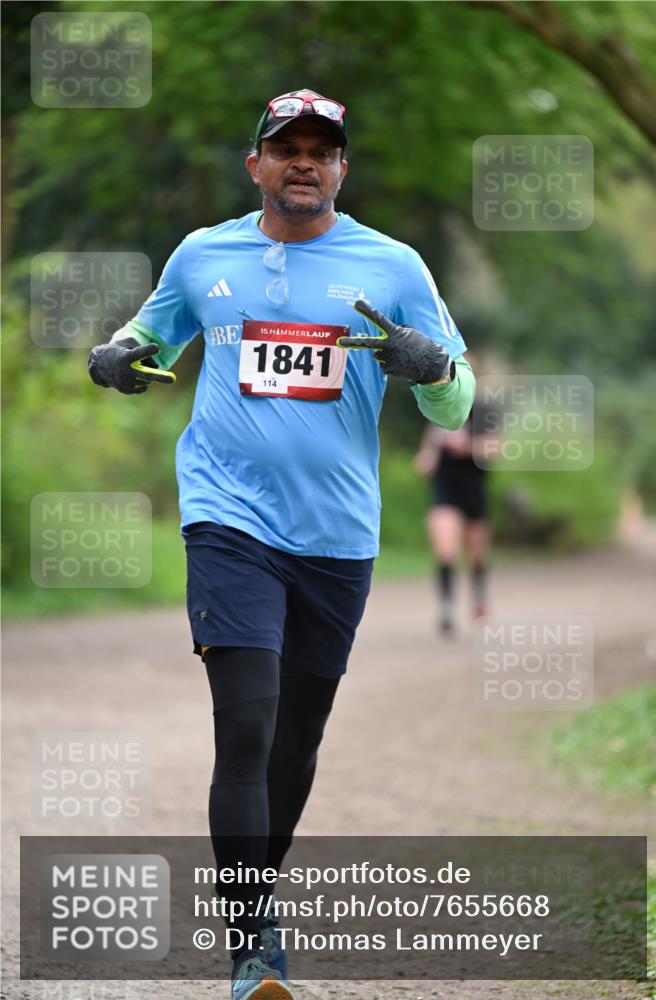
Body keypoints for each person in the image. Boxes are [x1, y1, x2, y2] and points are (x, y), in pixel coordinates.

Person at [88, 89, 476, 1000]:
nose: (304, 161)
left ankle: (254, 896)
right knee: (246, 723)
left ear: (341, 169)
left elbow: (456, 401)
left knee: (295, 743)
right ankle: (253, 946)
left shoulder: (392, 266)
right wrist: (115, 357)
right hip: (227, 518)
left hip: (336, 534)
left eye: (321, 150)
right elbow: (149, 335)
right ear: (255, 163)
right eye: (286, 146)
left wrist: (431, 369)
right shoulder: (202, 255)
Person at [415, 379, 491, 632]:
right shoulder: (437, 412)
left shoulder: (483, 412)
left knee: (476, 554)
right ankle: (446, 606)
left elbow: (495, 449)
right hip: (445, 490)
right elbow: (425, 458)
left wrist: (466, 446)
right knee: (444, 548)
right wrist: (427, 459)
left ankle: (479, 600)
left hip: (474, 490)